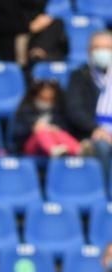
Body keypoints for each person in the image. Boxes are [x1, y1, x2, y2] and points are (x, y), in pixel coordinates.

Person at [64, 32, 112, 178]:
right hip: (90, 134)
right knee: (102, 146)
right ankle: (103, 194)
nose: (102, 52)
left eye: (107, 48)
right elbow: (74, 109)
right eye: (97, 48)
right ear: (89, 52)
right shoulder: (79, 76)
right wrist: (96, 129)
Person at [0, 0, 67, 67]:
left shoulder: (33, 5)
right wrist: (29, 27)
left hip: (35, 38)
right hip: (9, 40)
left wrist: (42, 22)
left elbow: (39, 12)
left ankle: (38, 52)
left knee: (57, 23)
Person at [11, 79, 81, 157]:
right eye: (44, 89)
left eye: (50, 89)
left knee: (58, 132)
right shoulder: (26, 109)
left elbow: (68, 128)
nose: (47, 92)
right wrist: (32, 127)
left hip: (58, 141)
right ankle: (54, 150)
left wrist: (53, 128)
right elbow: (16, 134)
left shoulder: (60, 108)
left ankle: (78, 150)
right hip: (31, 146)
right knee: (42, 131)